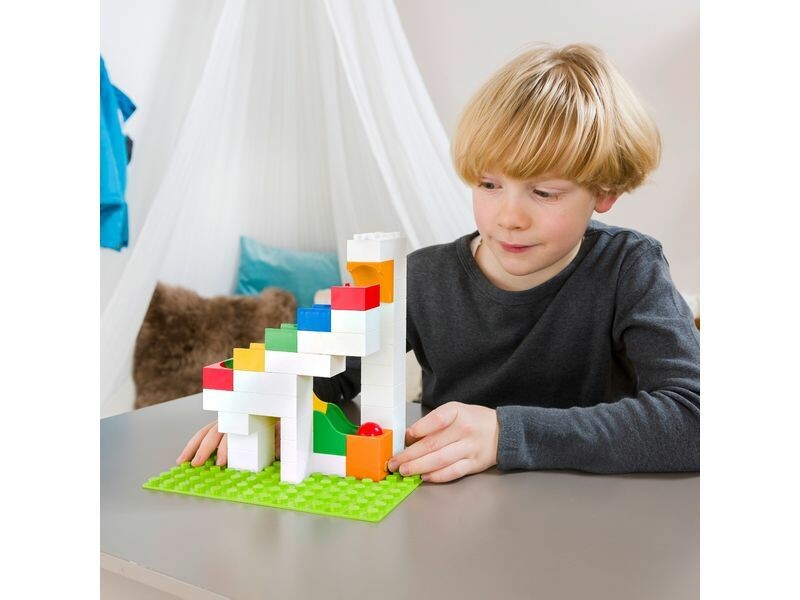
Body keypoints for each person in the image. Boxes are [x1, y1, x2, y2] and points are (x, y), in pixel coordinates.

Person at [178, 43, 700, 483]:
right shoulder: (421, 278)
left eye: (544, 192)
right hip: (441, 514)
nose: (509, 217)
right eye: (489, 184)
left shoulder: (630, 269)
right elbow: (328, 376)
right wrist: (268, 410)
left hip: (586, 521)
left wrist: (505, 433)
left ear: (604, 192)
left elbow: (695, 419)